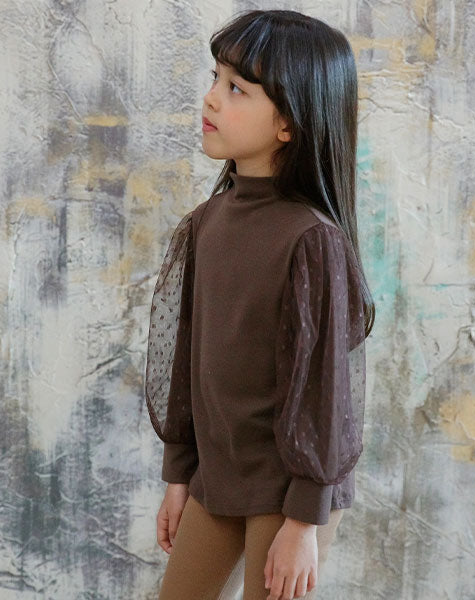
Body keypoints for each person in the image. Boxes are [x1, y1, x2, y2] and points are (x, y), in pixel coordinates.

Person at [145, 9, 375, 600]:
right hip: (217, 477)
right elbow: (187, 359)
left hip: (291, 491)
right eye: (216, 79)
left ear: (289, 123)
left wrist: (304, 521)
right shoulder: (205, 224)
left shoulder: (312, 240)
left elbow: (327, 392)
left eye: (237, 89)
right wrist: (180, 474)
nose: (211, 98)